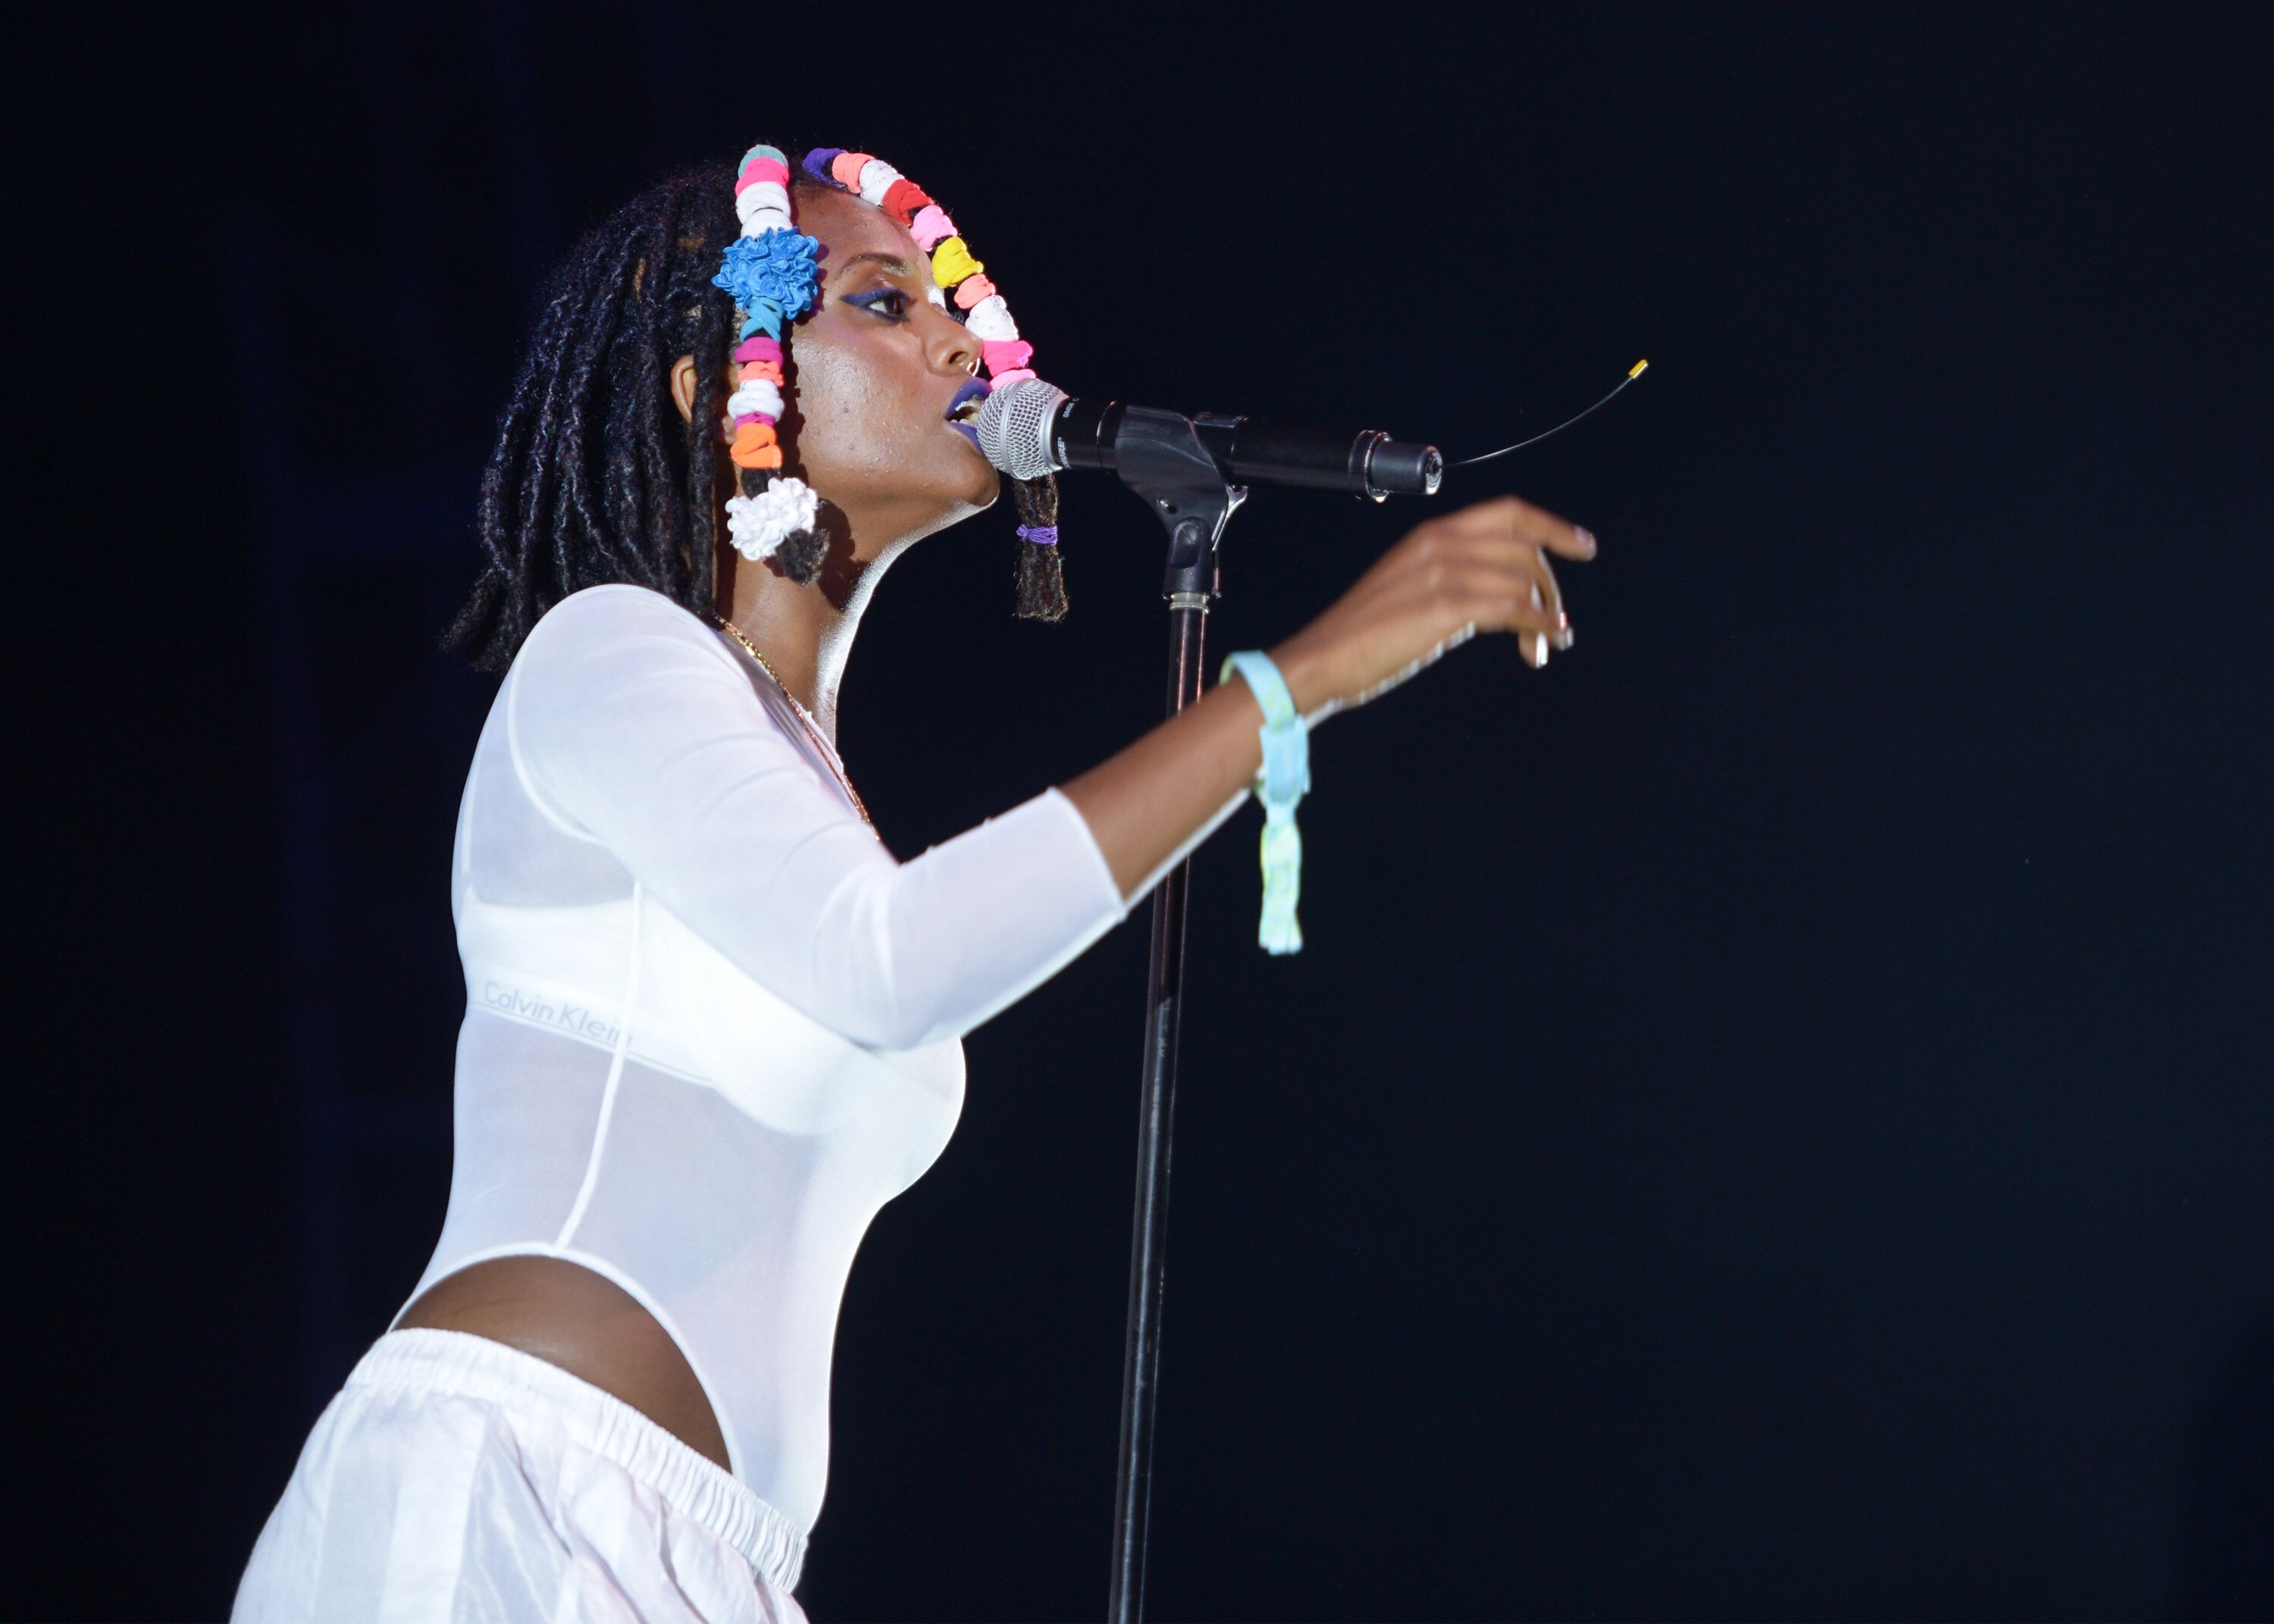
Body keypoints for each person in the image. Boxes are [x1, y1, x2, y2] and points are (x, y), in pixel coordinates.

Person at [234, 143, 1595, 1622]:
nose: (960, 340)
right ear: (722, 379)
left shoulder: (802, 784)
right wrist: (1296, 681)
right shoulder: (610, 654)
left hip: (710, 1561)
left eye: (961, 308)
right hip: (509, 1492)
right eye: (886, 303)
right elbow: (888, 961)